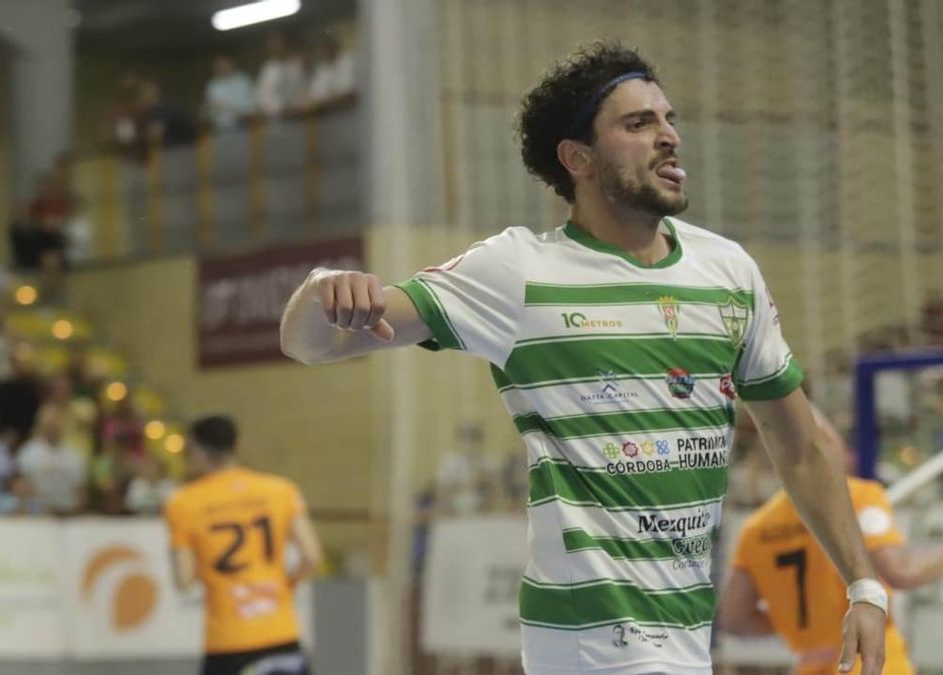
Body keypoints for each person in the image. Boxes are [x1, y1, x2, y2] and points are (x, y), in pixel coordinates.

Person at [280, 42, 888, 674]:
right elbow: (311, 344)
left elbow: (801, 449)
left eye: (668, 118)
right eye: (638, 124)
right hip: (591, 645)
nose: (669, 137)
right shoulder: (517, 271)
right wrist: (323, 287)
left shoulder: (729, 272)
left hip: (684, 640)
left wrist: (863, 586)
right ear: (578, 158)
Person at [718, 408, 943, 675]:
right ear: (821, 445)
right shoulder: (855, 498)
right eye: (836, 442)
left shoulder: (756, 528)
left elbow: (733, 618)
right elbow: (902, 571)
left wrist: (806, 634)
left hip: (811, 664)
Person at [164, 415, 323, 675]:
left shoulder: (183, 503)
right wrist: (286, 585)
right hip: (280, 631)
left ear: (199, 451)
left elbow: (183, 580)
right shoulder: (281, 490)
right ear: (237, 446)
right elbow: (312, 557)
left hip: (228, 639)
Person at [204, 55, 257, 132]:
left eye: (225, 65)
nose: (223, 68)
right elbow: (213, 105)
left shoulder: (243, 80)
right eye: (219, 66)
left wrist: (248, 113)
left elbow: (253, 98)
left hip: (248, 124)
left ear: (232, 64)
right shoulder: (213, 86)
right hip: (224, 126)